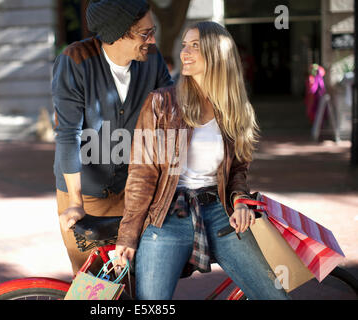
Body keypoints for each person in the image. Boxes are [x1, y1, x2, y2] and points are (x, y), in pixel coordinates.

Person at [114, 21, 291, 300]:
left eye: (195, 46)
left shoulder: (234, 107)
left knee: (275, 295)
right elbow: (142, 174)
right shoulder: (162, 103)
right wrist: (127, 235)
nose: (185, 52)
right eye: (184, 45)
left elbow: (238, 171)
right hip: (168, 216)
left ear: (217, 54)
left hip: (221, 214)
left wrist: (240, 202)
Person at [52, 0, 173, 275]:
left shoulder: (151, 59)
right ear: (119, 33)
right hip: (84, 191)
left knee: (139, 275)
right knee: (96, 282)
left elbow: (173, 110)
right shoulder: (75, 61)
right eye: (145, 33)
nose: (152, 39)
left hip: (133, 188)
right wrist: (75, 202)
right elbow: (69, 134)